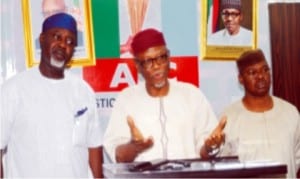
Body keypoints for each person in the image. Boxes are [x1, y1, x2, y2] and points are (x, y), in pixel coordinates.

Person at [0, 13, 103, 178]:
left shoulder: (83, 91)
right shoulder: (13, 90)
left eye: (70, 42)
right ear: (42, 39)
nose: (63, 45)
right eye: (57, 37)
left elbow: (94, 146)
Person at [103, 28, 227, 163]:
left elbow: (206, 151)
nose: (156, 66)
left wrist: (211, 147)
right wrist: (135, 147)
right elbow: (118, 156)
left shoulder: (192, 95)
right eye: (148, 61)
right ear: (138, 66)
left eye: (161, 58)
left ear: (168, 57)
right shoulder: (126, 100)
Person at [219, 49, 300, 178]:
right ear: (240, 78)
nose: (261, 76)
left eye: (265, 70)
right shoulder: (229, 117)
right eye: (252, 72)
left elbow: (295, 160)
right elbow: (224, 168)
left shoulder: (290, 113)